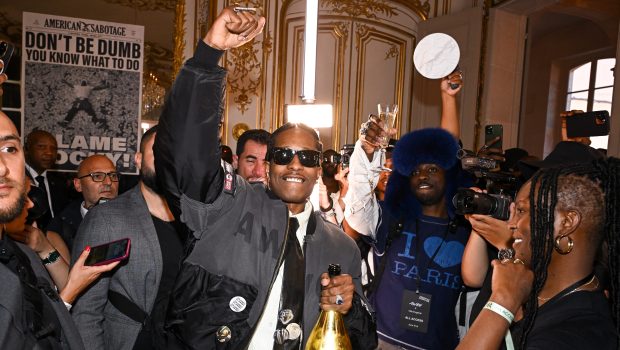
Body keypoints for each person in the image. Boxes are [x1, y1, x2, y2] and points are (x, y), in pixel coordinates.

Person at [154, 8, 376, 349]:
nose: (295, 164)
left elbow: (362, 340)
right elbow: (185, 153)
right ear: (269, 166)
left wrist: (351, 310)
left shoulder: (342, 247)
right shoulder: (227, 205)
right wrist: (210, 52)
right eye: (283, 155)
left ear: (320, 168)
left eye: (309, 157)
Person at [345, 72, 470, 349]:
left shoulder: (467, 228)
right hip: (380, 341)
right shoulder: (392, 220)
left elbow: (448, 152)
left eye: (432, 169)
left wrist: (449, 99)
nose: (423, 175)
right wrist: (367, 152)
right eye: (415, 170)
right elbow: (357, 207)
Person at [458, 157, 619, 349]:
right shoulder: (541, 295)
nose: (511, 224)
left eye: (521, 210)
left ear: (566, 223)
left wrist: (503, 301)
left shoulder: (577, 334)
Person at [0, 108, 117, 349]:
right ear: (77, 185)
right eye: (97, 176)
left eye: (9, 149)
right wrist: (72, 289)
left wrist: (48, 252)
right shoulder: (60, 225)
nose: (2, 167)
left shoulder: (22, 252)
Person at [71, 126, 184, 350]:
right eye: (158, 151)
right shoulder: (106, 218)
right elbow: (86, 309)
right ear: (139, 160)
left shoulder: (193, 219)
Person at [47, 154, 120, 256]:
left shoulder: (135, 219)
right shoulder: (60, 228)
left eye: (113, 175)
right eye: (97, 176)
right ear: (78, 185)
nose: (108, 182)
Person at [24, 129, 70, 230]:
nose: (49, 152)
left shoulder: (60, 183)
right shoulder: (16, 180)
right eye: (41, 147)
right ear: (26, 149)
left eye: (53, 148)